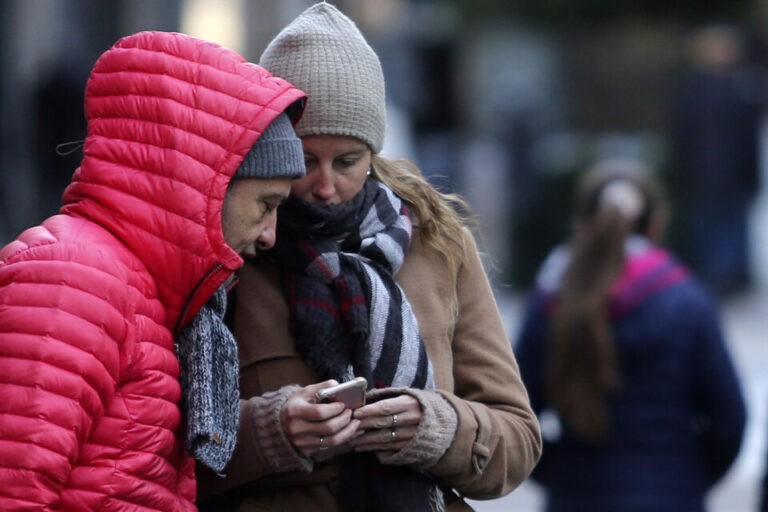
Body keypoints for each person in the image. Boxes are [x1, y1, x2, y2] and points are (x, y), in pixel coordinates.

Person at [196, 3, 542, 511]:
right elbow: (162, 454)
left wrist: (437, 427)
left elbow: (518, 443)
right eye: (304, 160)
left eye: (348, 161)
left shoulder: (438, 243)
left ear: (374, 153)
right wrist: (272, 431)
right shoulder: (231, 251)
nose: (326, 185)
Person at [0, 31, 307, 511]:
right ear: (206, 186)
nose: (270, 234)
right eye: (265, 205)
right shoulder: (72, 282)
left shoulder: (140, 291)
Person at [514, 160, 747, 512]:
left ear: (581, 226)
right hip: (672, 494)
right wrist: (688, 479)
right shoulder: (689, 300)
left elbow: (517, 416)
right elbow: (729, 420)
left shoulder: (551, 300)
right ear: (654, 225)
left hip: (577, 497)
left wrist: (560, 475)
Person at [669, 24, 767, 296]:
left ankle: (733, 278)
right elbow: (681, 137)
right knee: (711, 228)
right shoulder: (694, 91)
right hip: (706, 175)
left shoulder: (743, 87)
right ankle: (722, 279)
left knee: (729, 227)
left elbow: (750, 138)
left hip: (729, 175)